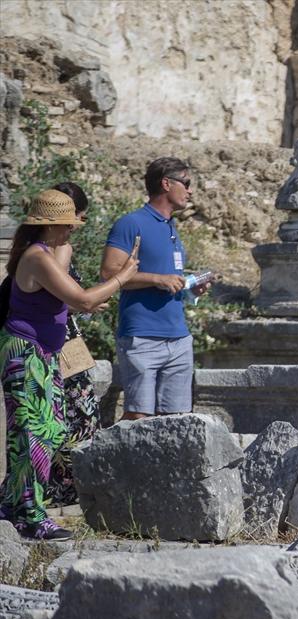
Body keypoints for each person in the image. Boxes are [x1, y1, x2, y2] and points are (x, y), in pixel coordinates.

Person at [1, 189, 138, 539]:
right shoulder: (36, 256)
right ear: (50, 226)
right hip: (26, 353)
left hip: (43, 354)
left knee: (52, 429)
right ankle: (31, 515)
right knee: (35, 433)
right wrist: (123, 276)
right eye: (68, 225)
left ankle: (11, 502)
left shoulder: (45, 252)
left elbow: (65, 301)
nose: (73, 230)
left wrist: (82, 303)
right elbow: (81, 297)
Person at [102, 157, 208, 421]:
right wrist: (157, 279)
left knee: (175, 420)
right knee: (138, 417)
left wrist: (190, 288)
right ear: (166, 183)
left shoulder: (171, 227)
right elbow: (108, 272)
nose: (190, 190)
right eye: (186, 183)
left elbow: (167, 279)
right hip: (142, 338)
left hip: (179, 338)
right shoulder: (131, 223)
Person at [44, 182, 102, 505]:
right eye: (80, 216)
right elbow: (59, 295)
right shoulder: (56, 250)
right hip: (58, 343)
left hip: (65, 340)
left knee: (76, 418)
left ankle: (64, 492)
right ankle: (61, 493)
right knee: (76, 419)